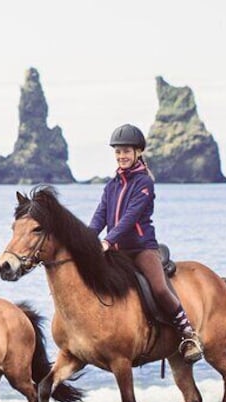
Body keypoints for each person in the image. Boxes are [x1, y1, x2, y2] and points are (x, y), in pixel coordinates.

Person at [89, 124, 203, 364]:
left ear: (138, 152)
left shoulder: (144, 183)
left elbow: (130, 218)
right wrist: (87, 239)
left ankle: (187, 333)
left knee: (160, 289)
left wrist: (108, 240)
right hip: (116, 250)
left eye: (126, 151)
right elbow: (101, 214)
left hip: (141, 248)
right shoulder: (111, 185)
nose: (122, 156)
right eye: (118, 152)